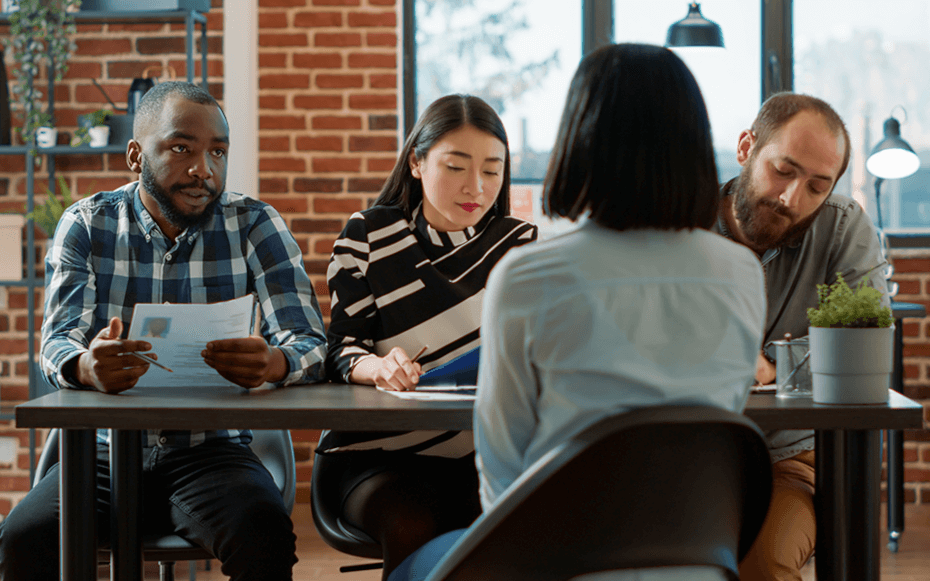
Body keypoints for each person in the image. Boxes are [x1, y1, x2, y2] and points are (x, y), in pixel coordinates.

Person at [387, 42, 767, 581]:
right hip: (696, 563)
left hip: (556, 564)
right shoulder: (741, 273)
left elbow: (502, 469)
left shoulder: (528, 277)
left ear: (579, 142)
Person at [0, 81, 327, 581]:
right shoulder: (87, 224)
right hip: (103, 453)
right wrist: (85, 365)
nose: (205, 169)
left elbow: (309, 343)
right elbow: (57, 341)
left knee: (264, 532)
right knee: (22, 540)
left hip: (210, 452)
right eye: (181, 148)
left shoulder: (255, 225)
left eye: (218, 152)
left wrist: (275, 362)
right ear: (136, 155)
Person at [318, 93, 537, 578]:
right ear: (417, 162)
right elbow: (339, 349)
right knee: (410, 522)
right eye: (456, 167)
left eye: (491, 170)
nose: (475, 187)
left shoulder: (519, 244)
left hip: (484, 450)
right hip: (377, 455)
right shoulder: (368, 236)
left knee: (522, 526)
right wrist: (380, 367)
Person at [716, 92, 889, 581]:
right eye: (784, 170)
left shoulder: (841, 226)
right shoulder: (682, 220)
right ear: (747, 146)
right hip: (688, 452)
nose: (793, 199)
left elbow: (864, 349)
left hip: (789, 460)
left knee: (762, 563)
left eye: (817, 186)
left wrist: (772, 366)